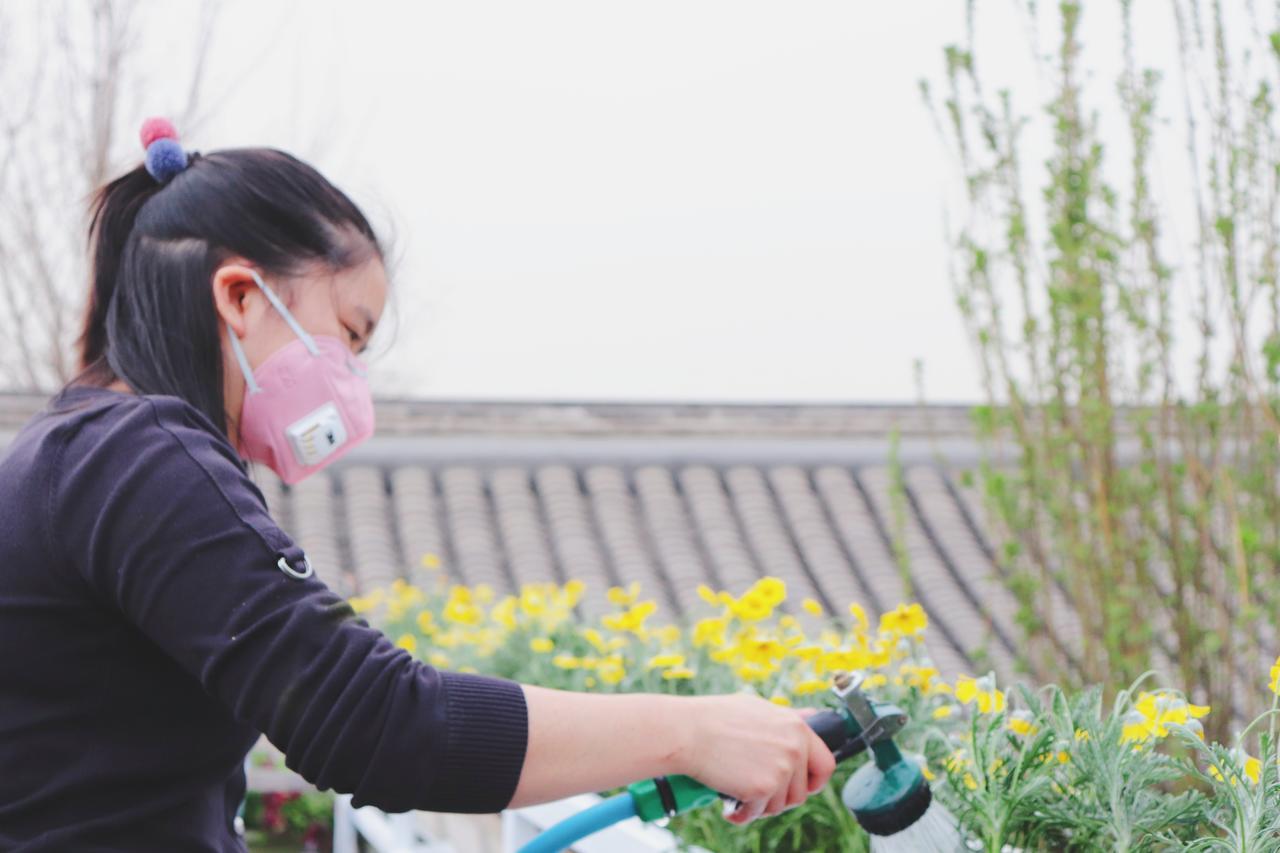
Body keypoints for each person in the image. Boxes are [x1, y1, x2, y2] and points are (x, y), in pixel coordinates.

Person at [0, 119, 836, 851]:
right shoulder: (140, 456)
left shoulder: (78, 450)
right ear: (242, 295)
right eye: (348, 335)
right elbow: (377, 721)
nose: (350, 378)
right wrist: (690, 729)